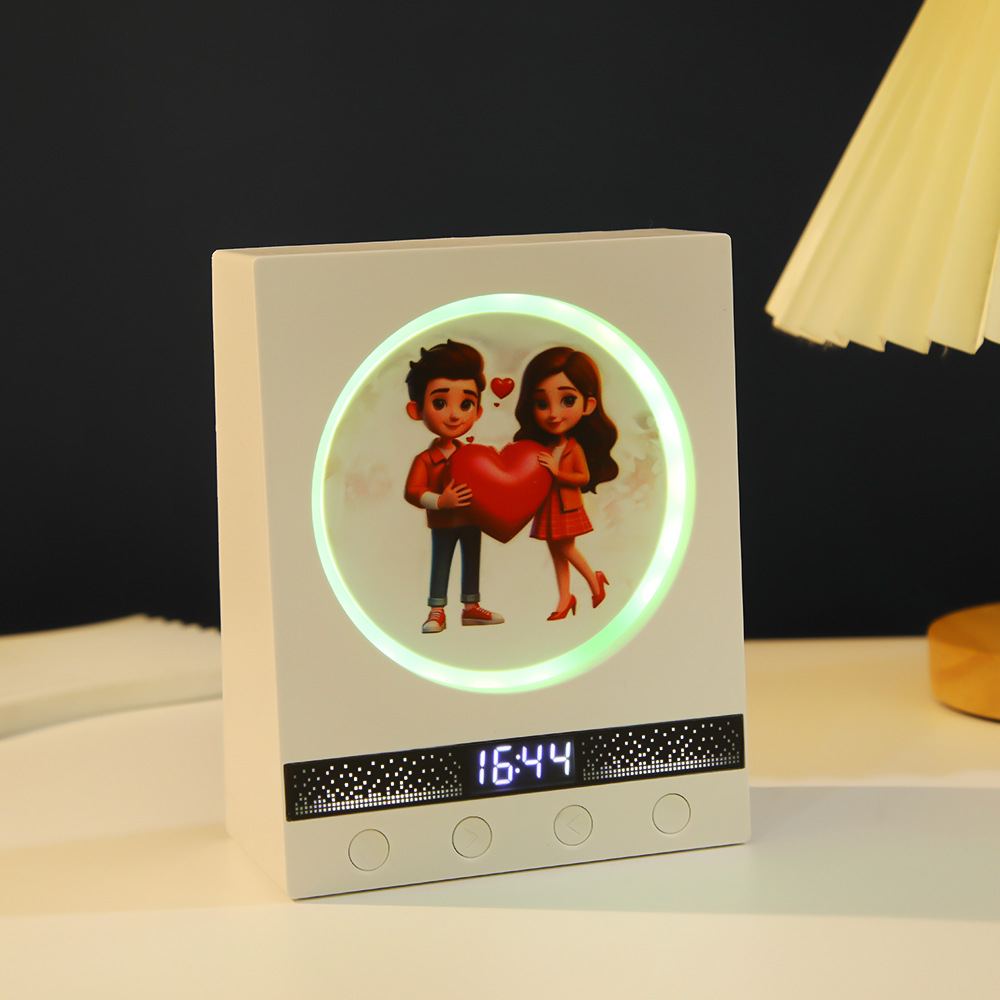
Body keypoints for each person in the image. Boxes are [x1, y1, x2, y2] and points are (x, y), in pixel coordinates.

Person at [404, 340, 504, 634]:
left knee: (472, 560)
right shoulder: (426, 459)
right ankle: (437, 609)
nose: (454, 415)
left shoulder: (472, 455)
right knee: (441, 562)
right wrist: (439, 501)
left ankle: (471, 607)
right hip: (443, 523)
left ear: (478, 411)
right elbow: (412, 492)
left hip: (472, 520)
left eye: (466, 404)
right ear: (416, 409)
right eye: (439, 403)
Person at [514, 346, 618, 620]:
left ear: (588, 405)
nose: (553, 413)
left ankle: (594, 580)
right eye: (541, 403)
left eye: (567, 400)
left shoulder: (574, 448)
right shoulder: (545, 447)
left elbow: (583, 478)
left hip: (567, 507)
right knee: (556, 554)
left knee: (567, 549)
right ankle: (564, 598)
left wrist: (557, 473)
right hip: (548, 506)